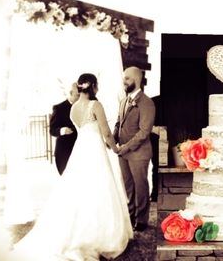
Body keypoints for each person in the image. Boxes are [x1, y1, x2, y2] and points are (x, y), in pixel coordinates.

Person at [8, 73, 133, 261]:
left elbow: (81, 128)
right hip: (95, 151)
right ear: (92, 85)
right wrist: (115, 148)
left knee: (78, 189)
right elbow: (106, 132)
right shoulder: (95, 105)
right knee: (99, 188)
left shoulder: (74, 107)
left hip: (80, 150)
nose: (98, 88)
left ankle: (78, 227)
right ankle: (100, 233)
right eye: (97, 84)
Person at [114, 66, 155, 232]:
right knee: (128, 186)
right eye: (124, 78)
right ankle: (130, 218)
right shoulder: (123, 101)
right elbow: (119, 122)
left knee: (140, 187)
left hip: (138, 153)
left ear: (137, 80)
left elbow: (144, 132)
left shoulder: (146, 103)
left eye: (127, 78)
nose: (124, 81)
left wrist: (125, 148)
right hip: (122, 152)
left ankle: (142, 221)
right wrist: (113, 139)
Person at [49, 83, 79, 175]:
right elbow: (52, 130)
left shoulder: (82, 107)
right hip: (64, 151)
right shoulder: (58, 108)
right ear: (71, 93)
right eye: (77, 95)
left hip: (79, 150)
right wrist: (62, 130)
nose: (79, 98)